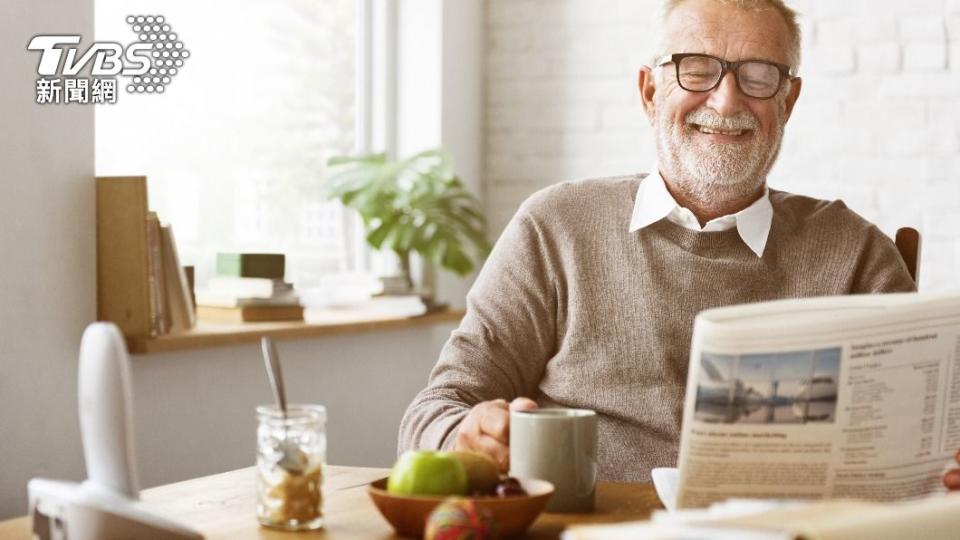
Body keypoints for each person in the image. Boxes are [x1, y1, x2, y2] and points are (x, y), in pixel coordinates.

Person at [399, 0, 955, 488]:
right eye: (697, 71)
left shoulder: (856, 253)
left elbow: (929, 436)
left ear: (788, 101)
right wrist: (465, 435)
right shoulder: (555, 227)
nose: (727, 99)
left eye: (760, 76)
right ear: (649, 90)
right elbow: (432, 414)